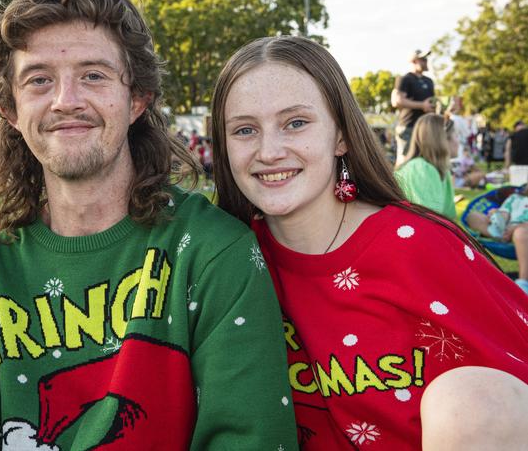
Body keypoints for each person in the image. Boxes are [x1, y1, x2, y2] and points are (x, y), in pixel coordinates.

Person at [0, 0, 297, 450]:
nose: (67, 101)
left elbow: (250, 438)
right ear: (10, 109)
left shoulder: (212, 253)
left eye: (93, 75)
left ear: (137, 99)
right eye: (39, 80)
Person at [211, 35, 528, 450]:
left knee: (473, 402)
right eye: (245, 129)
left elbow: (506, 390)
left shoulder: (418, 246)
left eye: (296, 123)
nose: (269, 150)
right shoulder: (224, 262)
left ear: (340, 135)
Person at [394, 113, 458, 219]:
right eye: (456, 135)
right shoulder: (421, 169)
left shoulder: (439, 170)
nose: (458, 141)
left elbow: (449, 218)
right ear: (443, 139)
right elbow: (428, 222)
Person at [467, 186, 528, 294]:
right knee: (473, 216)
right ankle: (498, 233)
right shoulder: (515, 198)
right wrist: (497, 215)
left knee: (521, 232)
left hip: (523, 232)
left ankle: (523, 281)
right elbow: (505, 212)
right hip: (506, 227)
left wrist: (517, 227)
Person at [391, 49, 435, 165]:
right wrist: (422, 105)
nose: (426, 62)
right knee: (404, 159)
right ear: (414, 61)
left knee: (423, 160)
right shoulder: (405, 79)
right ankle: (397, 183)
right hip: (408, 126)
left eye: (426, 59)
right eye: (423, 59)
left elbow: (430, 103)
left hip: (425, 127)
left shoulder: (429, 81)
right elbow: (397, 101)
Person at [504, 120, 528, 185]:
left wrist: (507, 167)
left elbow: (507, 151)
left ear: (516, 128)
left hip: (518, 166)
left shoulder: (513, 136)